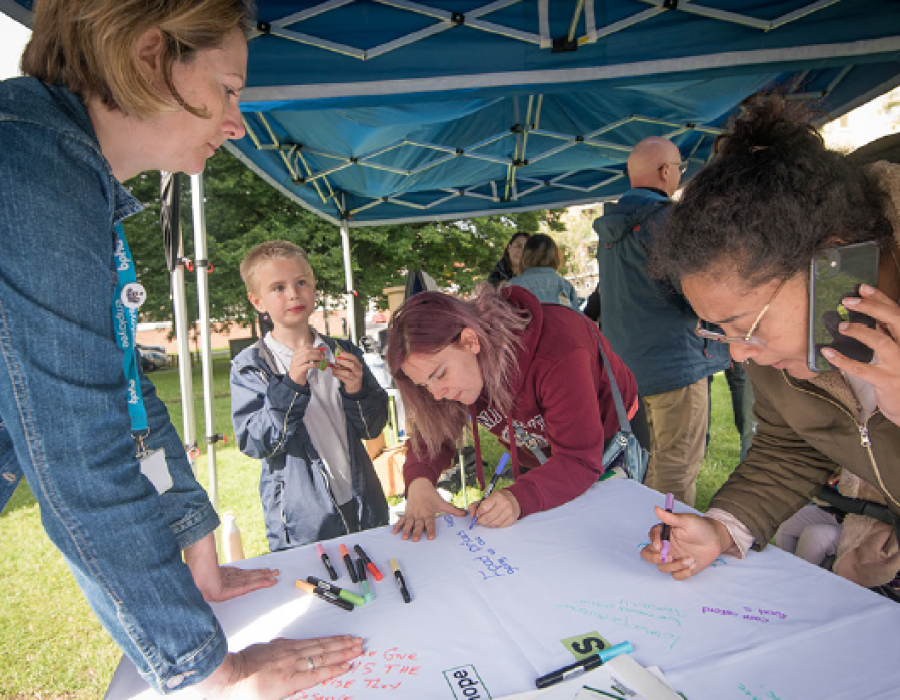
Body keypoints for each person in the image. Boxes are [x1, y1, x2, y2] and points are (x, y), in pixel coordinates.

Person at [0, 2, 362, 696]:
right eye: (227, 89)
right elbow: (79, 460)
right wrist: (212, 668)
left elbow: (120, 388)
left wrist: (195, 533)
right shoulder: (32, 170)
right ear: (149, 56)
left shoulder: (58, 166)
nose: (237, 122)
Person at [639, 95, 900, 593]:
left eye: (745, 324)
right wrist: (722, 528)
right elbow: (794, 441)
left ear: (836, 264)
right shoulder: (784, 348)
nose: (737, 353)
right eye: (720, 330)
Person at [384, 284, 639, 541]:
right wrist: (419, 481)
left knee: (611, 541)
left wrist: (519, 497)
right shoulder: (452, 370)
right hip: (545, 457)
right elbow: (435, 432)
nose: (437, 394)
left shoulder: (558, 349)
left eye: (439, 375)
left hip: (610, 440)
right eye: (425, 385)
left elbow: (579, 459)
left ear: (471, 341)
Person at [594, 136, 730, 507]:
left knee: (652, 464)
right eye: (680, 169)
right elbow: (699, 294)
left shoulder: (610, 229)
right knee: (677, 466)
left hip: (631, 368)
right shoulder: (667, 222)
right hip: (675, 363)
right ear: (666, 171)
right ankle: (667, 543)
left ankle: (647, 535)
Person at [231, 241, 390, 551]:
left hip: (362, 502)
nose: (293, 293)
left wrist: (357, 391)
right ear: (257, 301)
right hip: (303, 520)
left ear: (314, 287)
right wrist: (290, 384)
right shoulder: (251, 365)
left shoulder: (344, 351)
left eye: (301, 282)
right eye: (278, 287)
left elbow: (373, 428)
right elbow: (256, 443)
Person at [507, 233, 582, 309]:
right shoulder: (566, 286)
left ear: (526, 255)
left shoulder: (511, 286)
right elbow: (576, 317)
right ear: (555, 256)